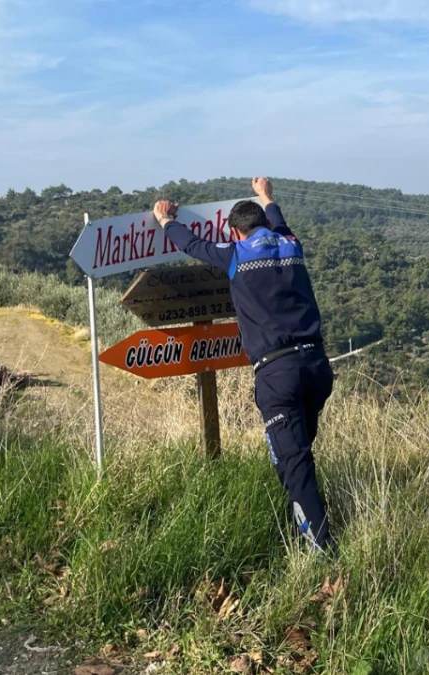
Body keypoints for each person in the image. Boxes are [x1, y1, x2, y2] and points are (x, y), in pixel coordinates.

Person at [152, 178, 335, 553]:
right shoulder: (290, 244)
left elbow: (191, 244)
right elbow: (279, 221)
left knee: (296, 465)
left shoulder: (236, 254)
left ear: (234, 232)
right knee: (297, 455)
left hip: (277, 374)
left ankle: (322, 554)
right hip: (317, 366)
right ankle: (304, 524)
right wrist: (267, 196)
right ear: (265, 225)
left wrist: (165, 220)